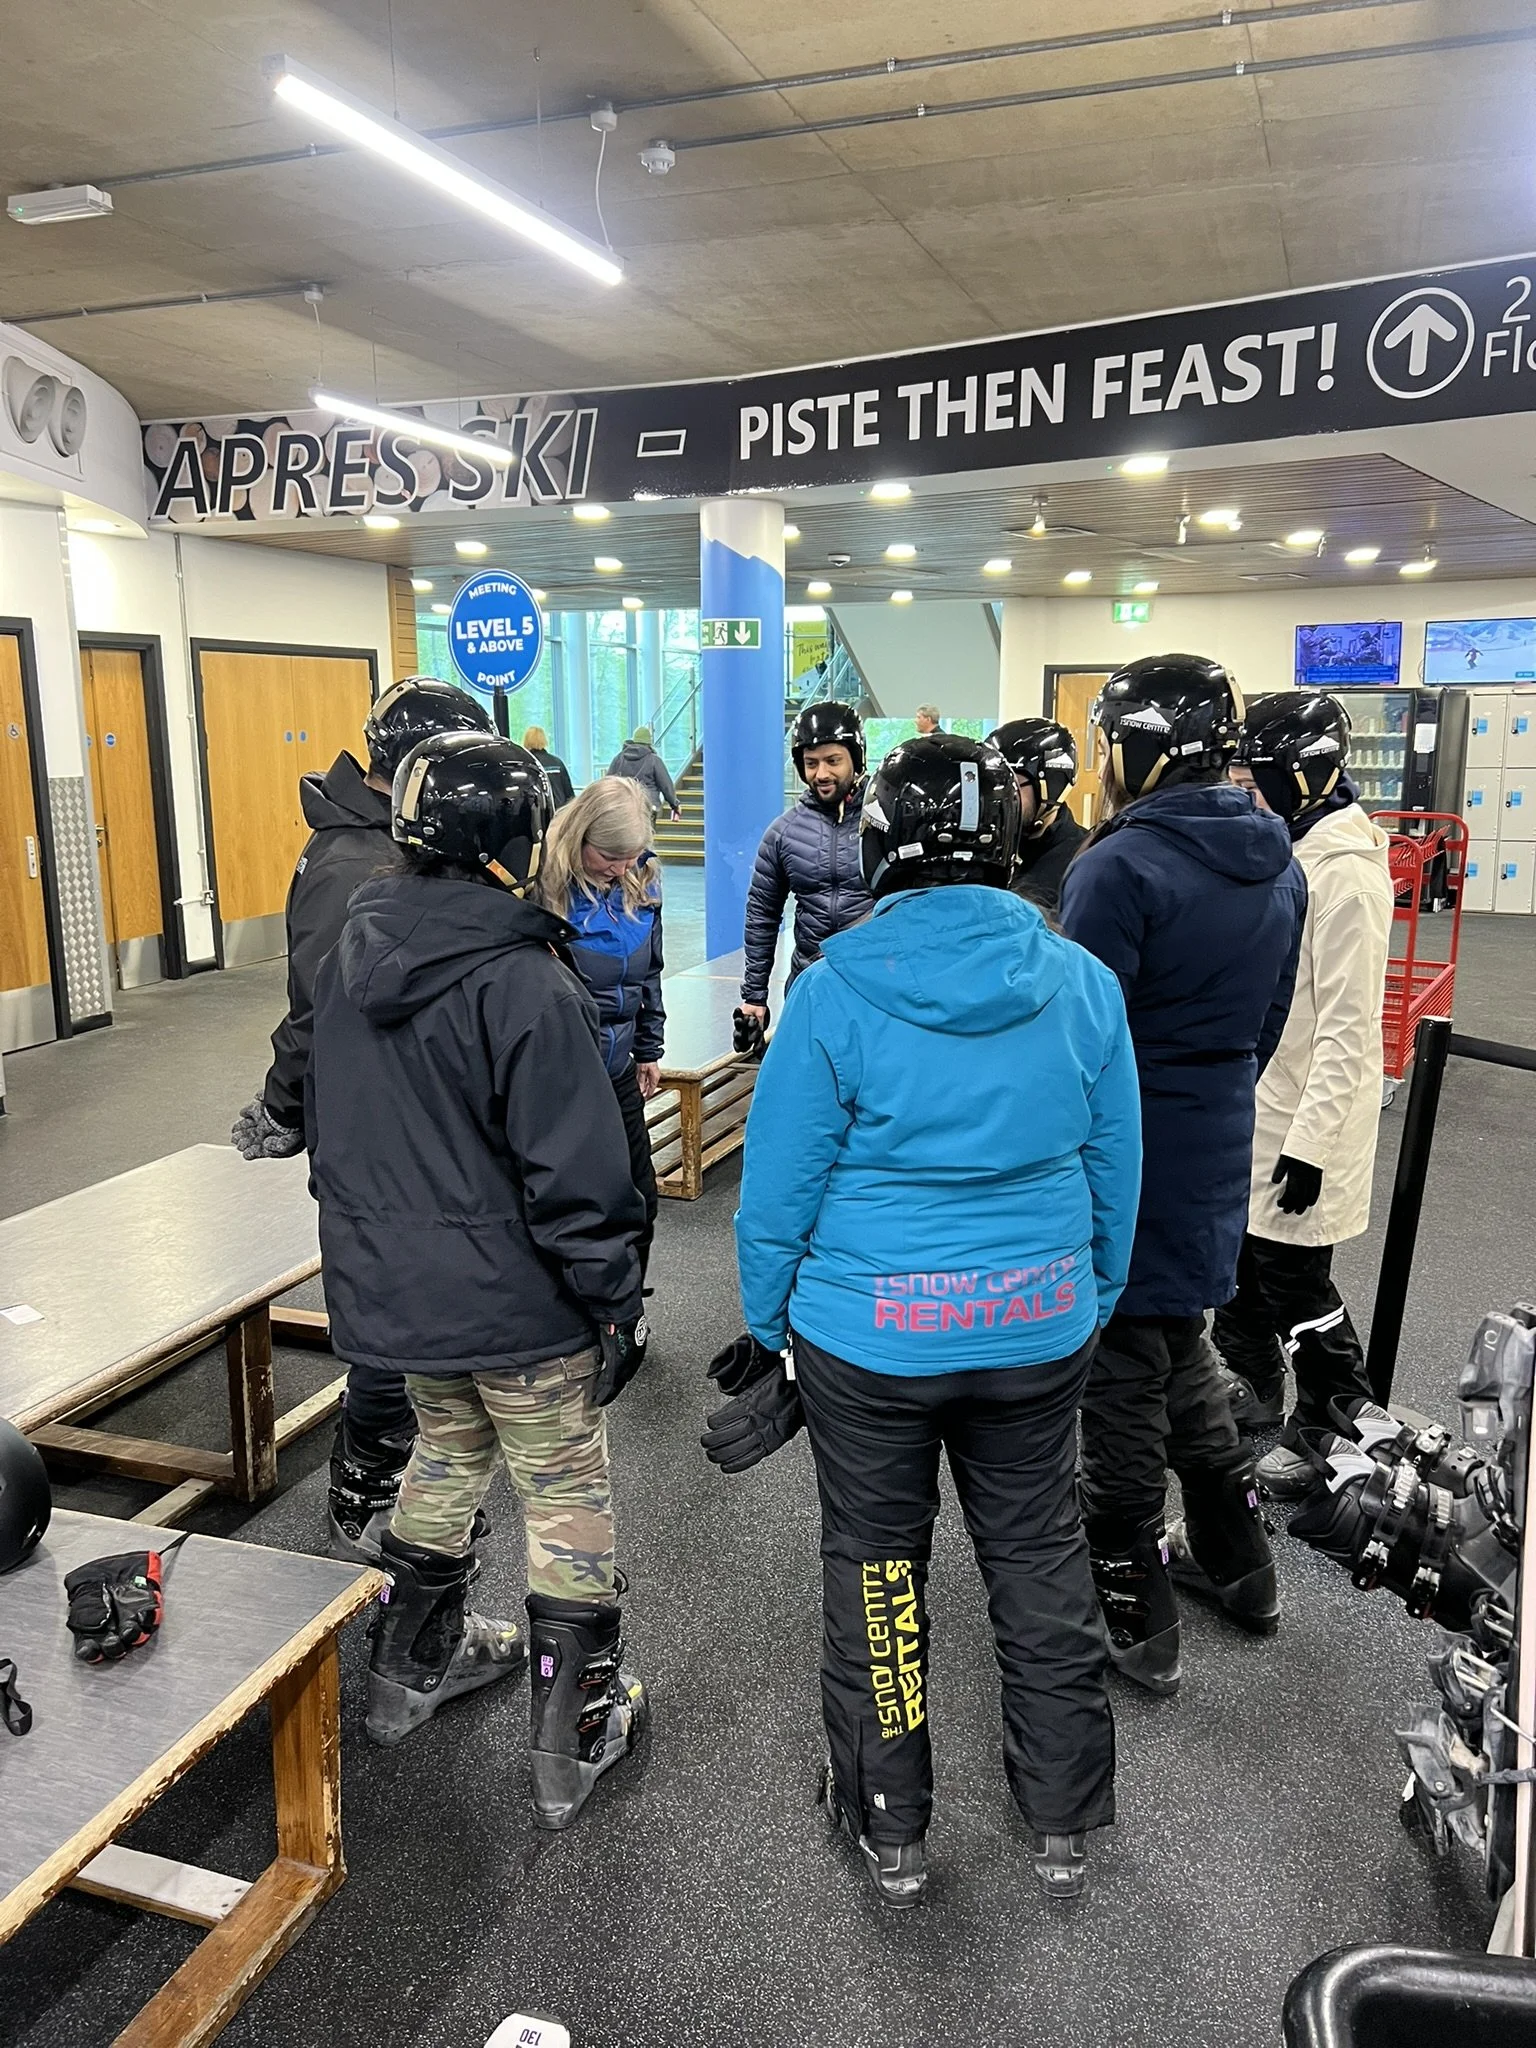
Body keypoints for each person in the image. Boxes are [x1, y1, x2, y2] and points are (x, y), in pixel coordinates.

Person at [728, 734, 1141, 1909]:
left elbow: (778, 1189)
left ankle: (891, 1824)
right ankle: (1061, 1818)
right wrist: (1089, 1297)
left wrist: (770, 1326)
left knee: (876, 1569)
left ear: (878, 843)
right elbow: (1116, 1171)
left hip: (871, 1342)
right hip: (1039, 1325)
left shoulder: (833, 990)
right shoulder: (1083, 982)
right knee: (1040, 1557)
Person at [306, 732, 649, 1824]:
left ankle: (408, 1672)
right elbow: (577, 1174)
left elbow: (323, 1121)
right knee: (565, 1493)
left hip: (400, 1298)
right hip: (519, 1304)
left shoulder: (347, 957)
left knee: (447, 1452)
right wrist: (614, 1300)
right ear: (518, 836)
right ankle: (572, 1732)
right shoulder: (526, 981)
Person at [1059, 654, 1307, 1696]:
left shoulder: (1120, 867)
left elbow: (1076, 1037)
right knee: (1179, 1341)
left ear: (1144, 749)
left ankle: (1135, 1607)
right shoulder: (1280, 859)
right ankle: (1242, 1562)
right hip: (1217, 1130)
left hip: (1128, 1141)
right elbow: (1267, 1022)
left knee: (1120, 1367)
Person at [230, 675, 494, 1564]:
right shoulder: (353, 861)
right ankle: (364, 1492)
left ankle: (410, 1479)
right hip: (372, 1126)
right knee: (393, 1317)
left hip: (405, 1113)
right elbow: (317, 1006)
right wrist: (283, 1102)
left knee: (421, 1306)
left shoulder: (383, 840)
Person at [1217, 692, 1394, 1497]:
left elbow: (1351, 1027)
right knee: (1243, 1271)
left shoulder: (1347, 876)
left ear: (1304, 774)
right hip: (1264, 1101)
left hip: (1306, 1117)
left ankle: (1339, 1426)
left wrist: (1313, 1145)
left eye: (1256, 783)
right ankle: (1256, 1395)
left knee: (1294, 1283)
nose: (1248, 797)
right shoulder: (1292, 847)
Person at [536, 777, 665, 1275]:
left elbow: (649, 973)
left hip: (618, 1068)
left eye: (630, 856)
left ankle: (629, 1303)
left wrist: (649, 1048)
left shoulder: (642, 876)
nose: (621, 868)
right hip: (562, 1078)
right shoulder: (542, 888)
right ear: (580, 838)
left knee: (640, 1198)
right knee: (574, 1206)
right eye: (610, 857)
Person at [740, 702, 871, 1027]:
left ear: (856, 759)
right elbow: (762, 915)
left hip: (875, 989)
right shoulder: (783, 833)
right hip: (808, 987)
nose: (821, 774)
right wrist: (754, 996)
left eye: (833, 761)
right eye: (811, 763)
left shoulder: (887, 824)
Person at [987, 717, 1088, 913]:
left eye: (1012, 785)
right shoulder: (986, 849)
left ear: (1052, 785)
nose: (999, 797)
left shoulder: (1083, 863)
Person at [607, 725, 679, 820]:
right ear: (649, 743)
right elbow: (666, 785)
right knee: (646, 829)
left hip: (624, 805)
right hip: (648, 805)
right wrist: (674, 805)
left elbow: (608, 783)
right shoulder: (654, 760)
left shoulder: (618, 759)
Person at [522, 724, 575, 808]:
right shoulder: (557, 763)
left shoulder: (526, 765)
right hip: (559, 811)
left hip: (540, 812)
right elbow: (569, 794)